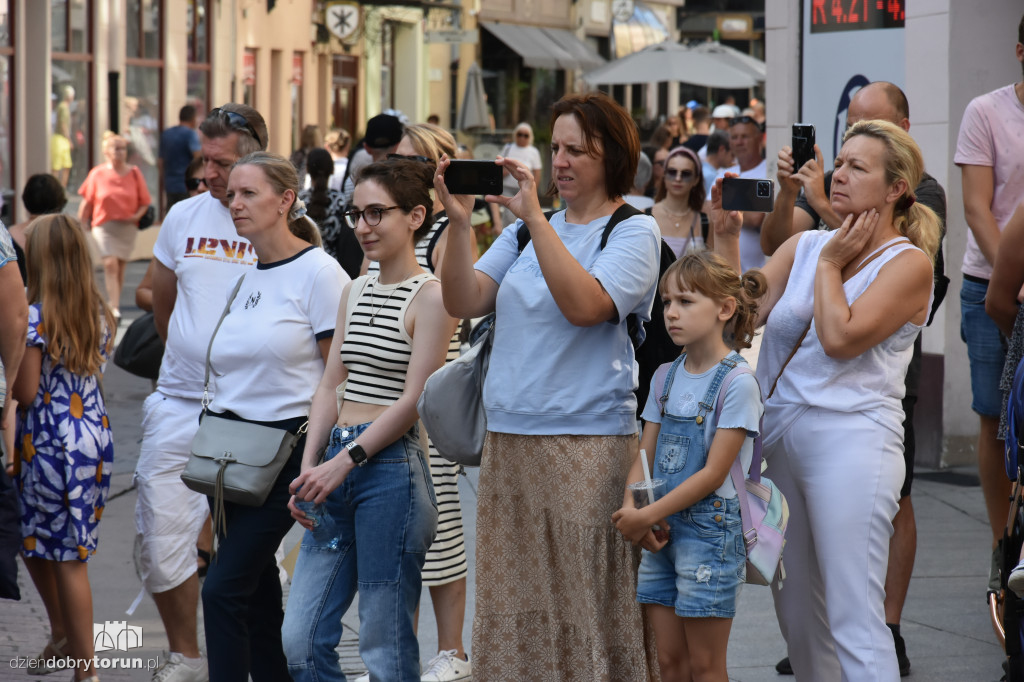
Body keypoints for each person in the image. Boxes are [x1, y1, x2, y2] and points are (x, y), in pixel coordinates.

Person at [434, 91, 661, 680]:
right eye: (555, 148)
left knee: (582, 603)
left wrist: (534, 218)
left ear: (611, 156)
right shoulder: (525, 233)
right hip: (508, 440)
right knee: (517, 603)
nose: (558, 162)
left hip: (585, 444)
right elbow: (463, 299)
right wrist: (461, 226)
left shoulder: (633, 231)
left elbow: (587, 306)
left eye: (575, 151)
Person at [713, 119, 939, 679]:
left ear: (896, 189)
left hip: (854, 441)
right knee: (797, 618)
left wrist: (833, 265)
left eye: (858, 167)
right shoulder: (804, 243)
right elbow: (738, 317)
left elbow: (839, 338)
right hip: (780, 439)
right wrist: (722, 237)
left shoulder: (907, 263)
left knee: (853, 615)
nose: (839, 174)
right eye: (840, 162)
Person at [282, 158, 455, 682]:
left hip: (390, 474)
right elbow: (331, 384)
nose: (363, 226)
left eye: (377, 213)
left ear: (416, 216)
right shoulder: (354, 289)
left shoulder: (433, 295)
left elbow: (414, 400)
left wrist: (344, 462)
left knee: (384, 644)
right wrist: (312, 464)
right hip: (334, 464)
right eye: (357, 214)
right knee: (300, 641)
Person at [201, 152, 348, 681]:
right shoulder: (247, 277)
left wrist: (320, 463)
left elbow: (338, 376)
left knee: (219, 590)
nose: (234, 203)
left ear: (285, 200)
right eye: (231, 194)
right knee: (257, 597)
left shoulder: (319, 273)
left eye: (248, 194)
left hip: (285, 456)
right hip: (230, 459)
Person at [136, 103, 268, 682]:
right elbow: (161, 302)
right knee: (158, 530)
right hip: (179, 403)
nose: (208, 174)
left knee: (249, 550)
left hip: (251, 414)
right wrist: (190, 353)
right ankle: (186, 656)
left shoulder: (280, 223)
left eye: (222, 162)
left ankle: (244, 655)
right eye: (204, 160)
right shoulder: (182, 217)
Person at [613, 250, 765, 682]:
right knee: (669, 664)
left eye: (685, 301)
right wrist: (634, 511)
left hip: (708, 533)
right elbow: (644, 456)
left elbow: (713, 474)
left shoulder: (737, 383)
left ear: (724, 309)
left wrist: (645, 515)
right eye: (666, 302)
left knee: (704, 665)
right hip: (660, 531)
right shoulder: (664, 375)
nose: (671, 313)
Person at [364, 123, 475, 681]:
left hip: (430, 395)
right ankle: (399, 652)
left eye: (411, 160)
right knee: (400, 538)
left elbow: (458, 301)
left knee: (442, 528)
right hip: (384, 396)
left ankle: (452, 652)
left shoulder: (447, 230)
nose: (398, 166)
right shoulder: (381, 227)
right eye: (393, 158)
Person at [14, 214, 116, 682]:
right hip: (91, 439)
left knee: (69, 558)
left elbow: (29, 392)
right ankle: (62, 638)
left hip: (49, 445)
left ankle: (86, 670)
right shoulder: (98, 311)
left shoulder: (34, 318)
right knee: (35, 538)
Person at [954, 15, 1024, 588]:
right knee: (994, 415)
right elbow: (977, 208)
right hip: (992, 286)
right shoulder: (987, 110)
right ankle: (1004, 543)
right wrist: (1016, 279)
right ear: (1020, 51)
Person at [78, 131, 153, 318]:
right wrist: (80, 223)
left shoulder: (134, 173)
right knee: (110, 263)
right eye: (116, 148)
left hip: (127, 227)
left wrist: (135, 215)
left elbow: (145, 202)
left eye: (123, 149)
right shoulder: (97, 174)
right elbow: (87, 200)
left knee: (120, 266)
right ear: (106, 151)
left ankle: (114, 301)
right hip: (103, 226)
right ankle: (115, 307)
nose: (120, 152)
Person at [705, 116, 766, 271]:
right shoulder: (724, 174)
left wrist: (724, 206)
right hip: (724, 273)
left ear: (759, 138)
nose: (739, 142)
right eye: (734, 137)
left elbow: (757, 218)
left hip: (759, 275)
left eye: (745, 137)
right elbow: (707, 212)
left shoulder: (769, 171)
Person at [650, 146, 708, 257]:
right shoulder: (645, 215)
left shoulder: (705, 222)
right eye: (672, 172)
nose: (678, 178)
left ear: (696, 179)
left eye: (686, 173)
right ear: (664, 175)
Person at [300, 147, 348, 265]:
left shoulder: (299, 201)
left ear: (307, 169)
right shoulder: (341, 201)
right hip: (333, 266)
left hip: (304, 264)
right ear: (332, 170)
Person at [498, 122, 543, 227]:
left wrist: (533, 190)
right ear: (515, 135)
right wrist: (504, 172)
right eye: (519, 134)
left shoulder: (533, 152)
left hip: (523, 190)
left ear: (530, 137)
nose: (522, 137)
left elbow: (537, 173)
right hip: (507, 188)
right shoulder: (508, 147)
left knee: (522, 216)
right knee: (509, 215)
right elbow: (498, 165)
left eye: (525, 135)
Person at [159, 105, 202, 211]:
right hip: (186, 185)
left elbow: (160, 162)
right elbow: (198, 157)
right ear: (193, 119)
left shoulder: (166, 134)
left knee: (172, 215)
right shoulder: (190, 134)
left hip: (170, 185)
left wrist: (164, 179)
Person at [700, 131, 733, 198]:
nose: (733, 160)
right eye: (732, 155)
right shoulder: (712, 177)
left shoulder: (700, 168)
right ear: (722, 150)